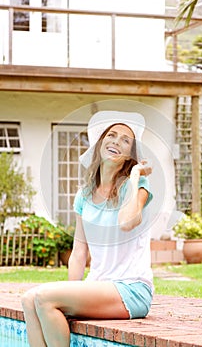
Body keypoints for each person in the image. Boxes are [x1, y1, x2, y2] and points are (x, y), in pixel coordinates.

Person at [21, 110, 154, 347]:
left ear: (129, 155)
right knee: (29, 299)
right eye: (111, 135)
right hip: (98, 286)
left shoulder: (136, 187)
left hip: (130, 289)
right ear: (100, 144)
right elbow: (79, 251)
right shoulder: (84, 195)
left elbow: (128, 222)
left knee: (43, 297)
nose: (116, 141)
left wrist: (134, 176)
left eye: (126, 140)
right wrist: (70, 290)